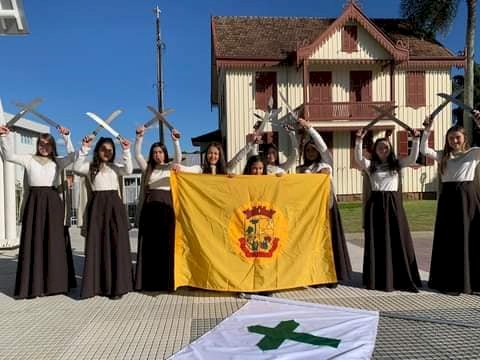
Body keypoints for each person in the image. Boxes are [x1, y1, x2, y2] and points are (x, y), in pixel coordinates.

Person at [0, 125, 76, 299]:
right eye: (41, 144)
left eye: (48, 144)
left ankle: (55, 284)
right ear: (37, 145)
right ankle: (34, 285)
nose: (44, 147)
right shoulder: (29, 159)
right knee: (34, 241)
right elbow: (8, 156)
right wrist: (4, 137)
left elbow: (73, 156)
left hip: (52, 202)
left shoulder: (58, 161)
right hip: (34, 202)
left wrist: (67, 137)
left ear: (52, 146)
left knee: (53, 242)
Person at [355, 128, 421, 292]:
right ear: (375, 150)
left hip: (393, 204)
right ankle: (379, 278)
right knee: (378, 241)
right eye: (379, 148)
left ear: (390, 149)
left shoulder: (397, 164)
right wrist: (358, 140)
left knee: (397, 238)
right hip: (376, 205)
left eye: (385, 148)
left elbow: (413, 157)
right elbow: (358, 158)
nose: (383, 150)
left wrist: (416, 139)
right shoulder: (371, 166)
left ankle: (399, 277)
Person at [420, 113, 480, 295]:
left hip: (467, 200)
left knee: (469, 239)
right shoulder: (443, 156)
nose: (454, 140)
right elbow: (424, 149)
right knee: (449, 240)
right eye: (451, 138)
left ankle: (473, 282)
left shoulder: (473, 154)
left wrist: (479, 122)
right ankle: (449, 281)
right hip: (448, 201)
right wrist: (428, 129)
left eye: (457, 137)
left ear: (464, 139)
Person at [73, 136, 133, 299]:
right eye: (103, 149)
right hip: (97, 208)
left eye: (110, 150)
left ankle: (117, 287)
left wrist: (126, 150)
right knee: (97, 245)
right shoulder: (89, 167)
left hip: (114, 209)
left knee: (115, 245)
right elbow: (77, 167)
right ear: (97, 150)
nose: (106, 152)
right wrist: (84, 147)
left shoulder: (115, 167)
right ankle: (96, 286)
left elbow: (129, 170)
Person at [296, 119, 352, 287]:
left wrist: (310, 129)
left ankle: (332, 275)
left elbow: (323, 146)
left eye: (313, 149)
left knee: (330, 242)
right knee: (313, 242)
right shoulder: (301, 169)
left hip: (327, 208)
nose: (311, 152)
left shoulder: (326, 163)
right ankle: (313, 274)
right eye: (308, 150)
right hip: (310, 211)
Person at [134, 126, 182, 292]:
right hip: (150, 211)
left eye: (160, 152)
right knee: (150, 246)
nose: (157, 155)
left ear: (165, 153)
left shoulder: (171, 168)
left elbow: (179, 157)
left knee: (166, 245)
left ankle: (166, 281)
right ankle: (149, 282)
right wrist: (140, 137)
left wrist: (176, 141)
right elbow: (137, 155)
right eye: (155, 152)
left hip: (167, 209)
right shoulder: (148, 169)